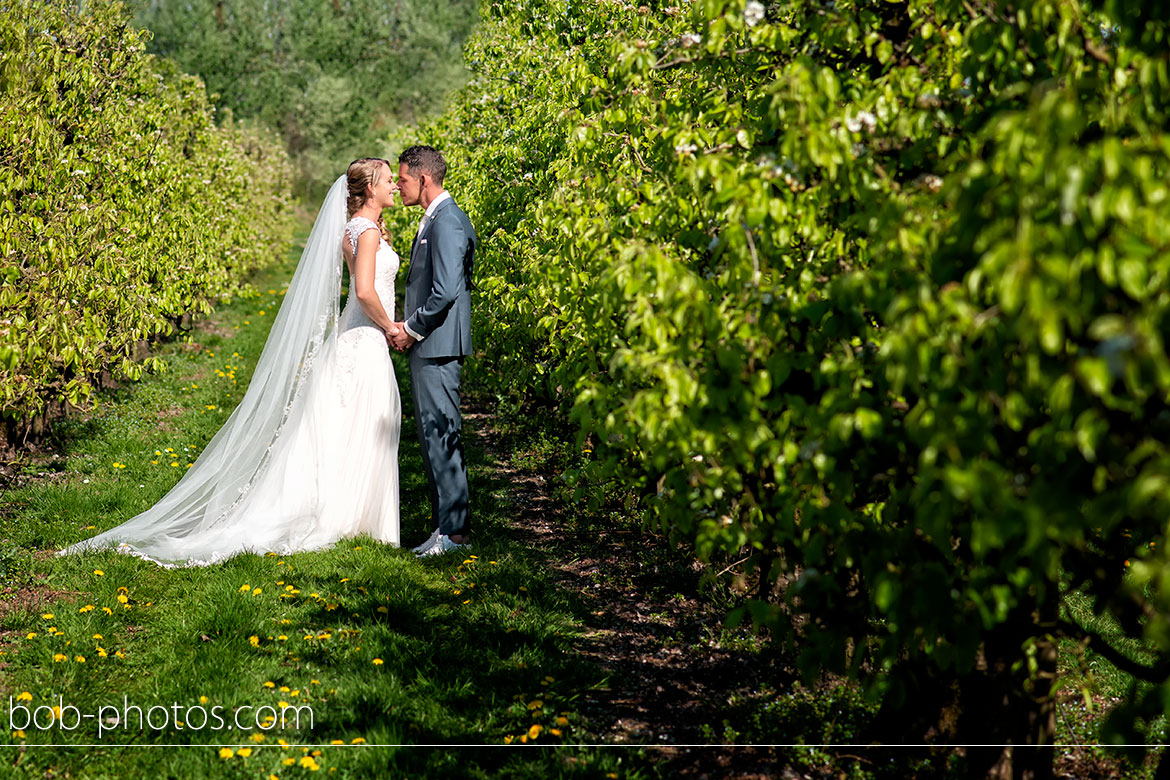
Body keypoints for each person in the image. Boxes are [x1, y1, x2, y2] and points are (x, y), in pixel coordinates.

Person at [60, 159, 403, 565]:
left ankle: (352, 515)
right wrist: (392, 328)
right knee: (363, 424)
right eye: (388, 180)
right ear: (369, 189)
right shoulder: (363, 232)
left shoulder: (358, 229)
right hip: (365, 337)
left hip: (356, 337)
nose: (395, 186)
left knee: (349, 427)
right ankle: (351, 518)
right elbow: (364, 291)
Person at [388, 146, 476, 557]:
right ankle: (444, 529)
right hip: (432, 346)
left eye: (402, 178)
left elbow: (445, 291)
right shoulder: (437, 219)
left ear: (424, 179)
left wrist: (411, 328)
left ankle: (455, 535)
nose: (398, 185)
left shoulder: (447, 222)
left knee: (443, 436)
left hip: (438, 346)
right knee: (431, 438)